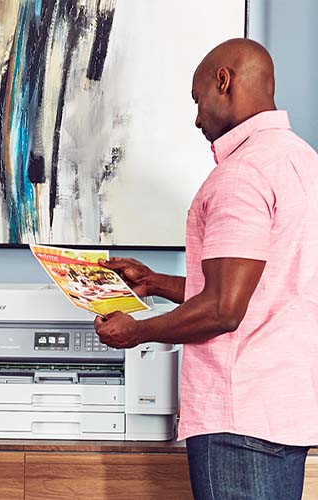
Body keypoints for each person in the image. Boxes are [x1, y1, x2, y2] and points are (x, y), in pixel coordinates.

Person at [94, 38, 318, 500]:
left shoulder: (243, 173)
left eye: (197, 101)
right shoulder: (303, 161)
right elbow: (264, 288)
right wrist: (155, 283)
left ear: (224, 81)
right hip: (285, 410)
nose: (197, 118)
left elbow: (223, 308)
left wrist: (136, 332)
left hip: (238, 420)